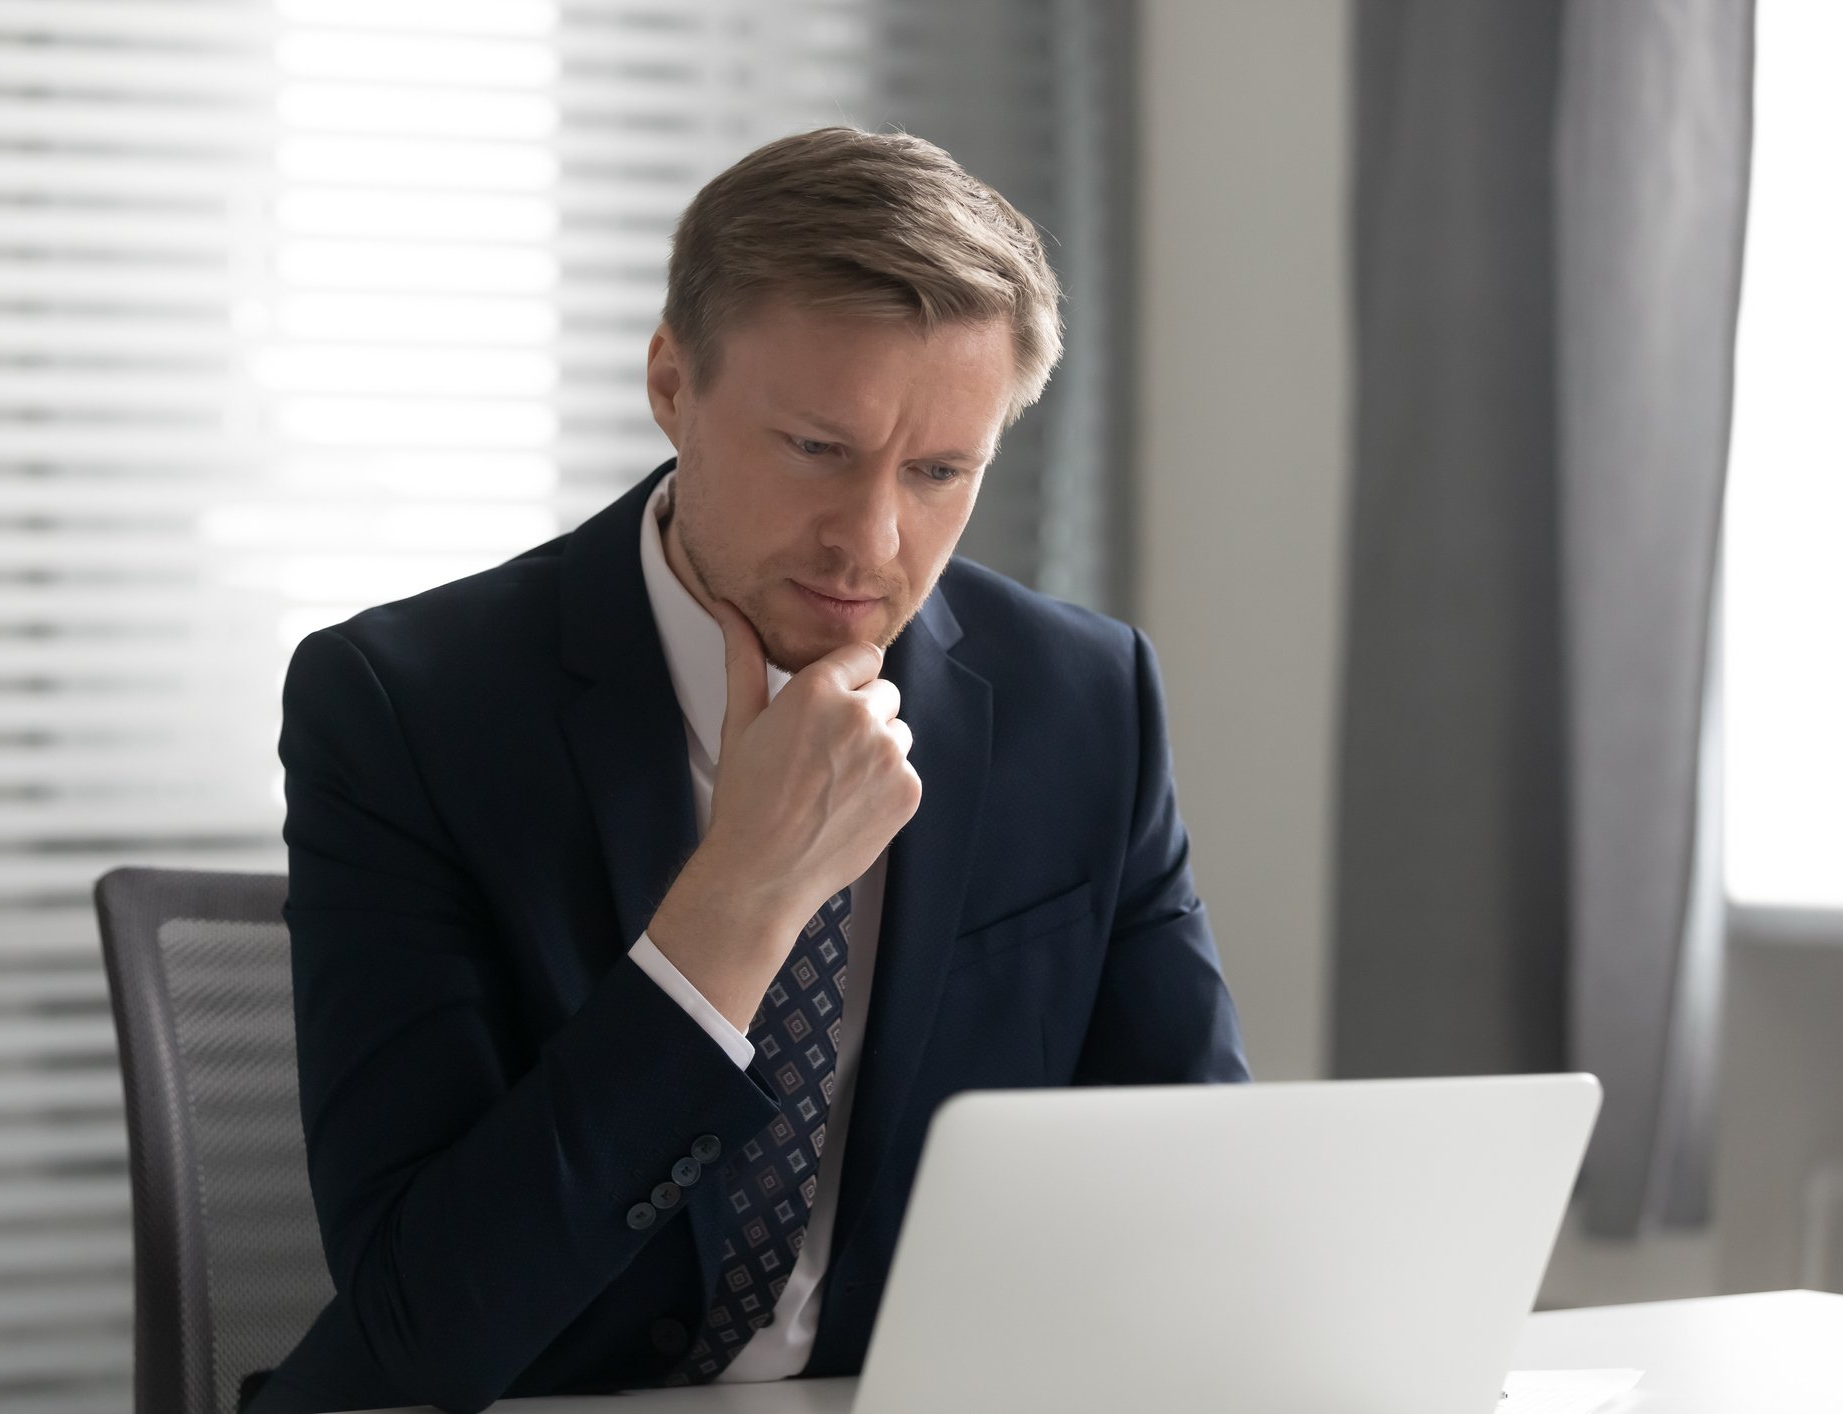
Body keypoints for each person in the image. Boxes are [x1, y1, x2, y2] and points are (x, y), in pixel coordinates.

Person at [248, 126, 1248, 1414]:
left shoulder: (1085, 704)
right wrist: (747, 895)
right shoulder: (406, 709)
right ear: (672, 383)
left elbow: (1202, 1196)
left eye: (941, 472)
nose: (872, 541)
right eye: (818, 450)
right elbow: (425, 1329)